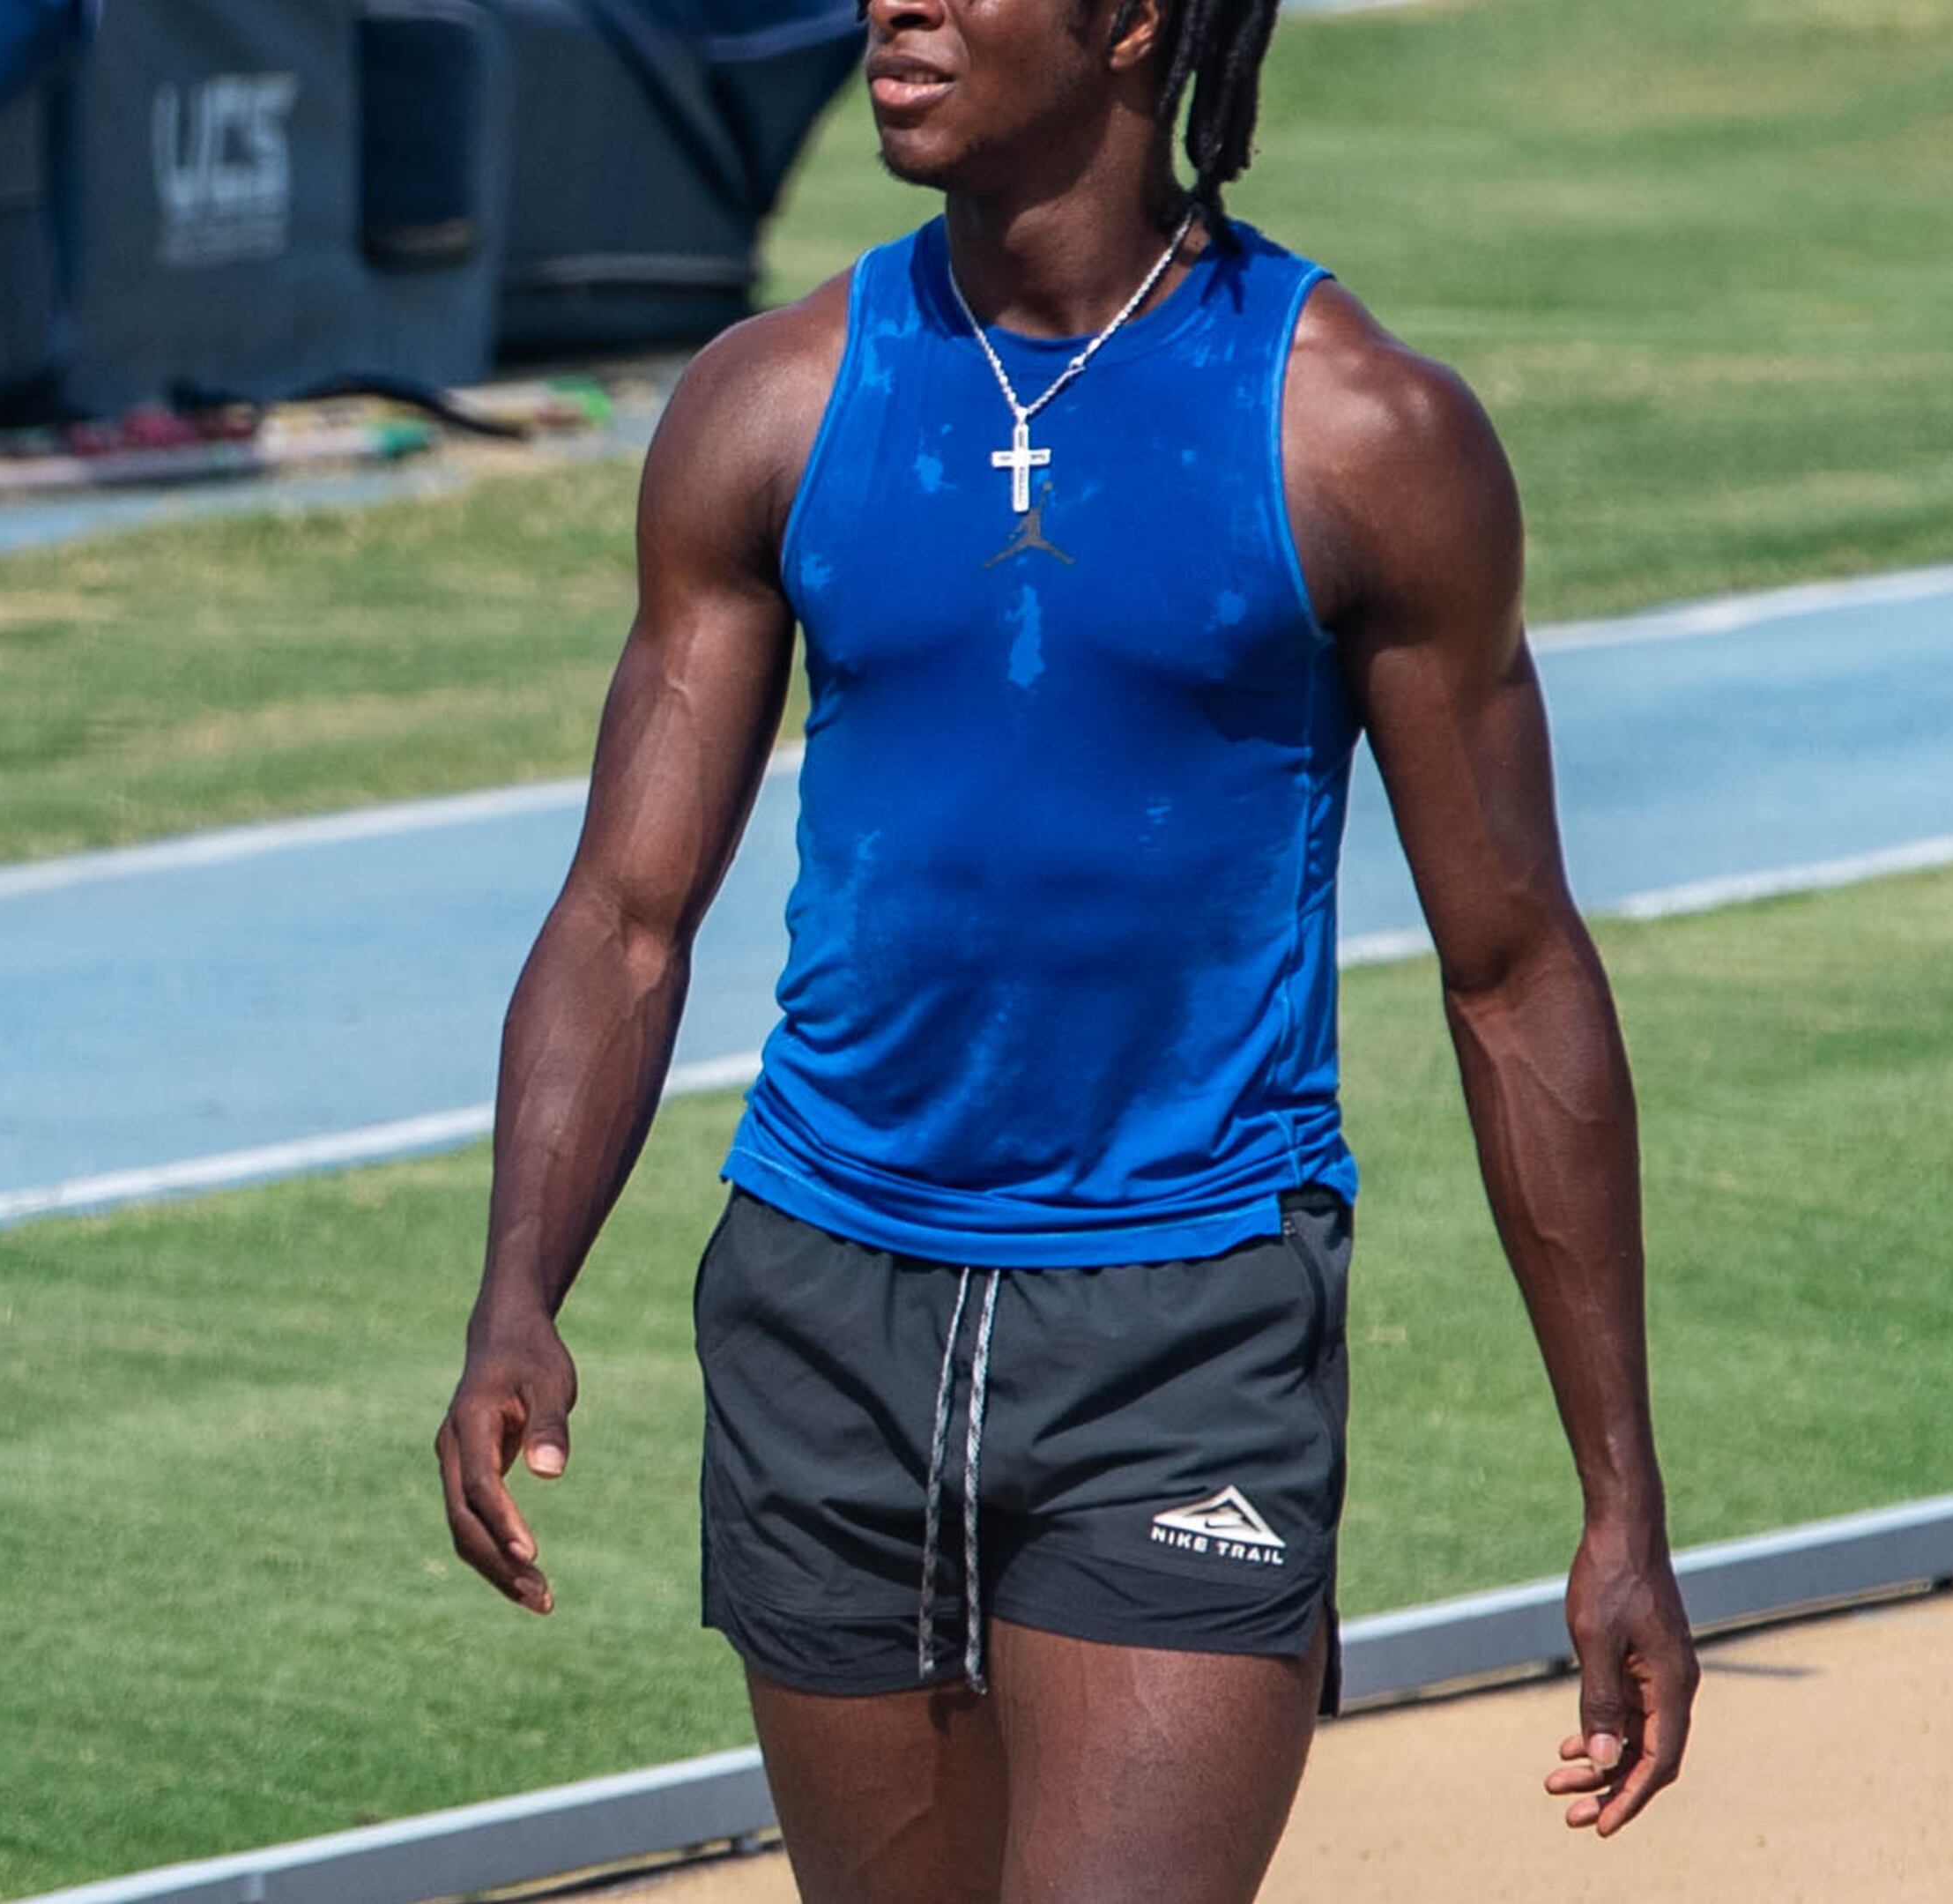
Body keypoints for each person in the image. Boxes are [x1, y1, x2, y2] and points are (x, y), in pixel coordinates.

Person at [436, 0, 1699, 1893]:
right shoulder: (773, 403)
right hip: (822, 1312)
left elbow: (1512, 969)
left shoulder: (1361, 434)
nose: (895, 5)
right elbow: (625, 916)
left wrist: (1620, 1501)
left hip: (1180, 1327)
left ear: (1131, 21)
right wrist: (518, 1287)